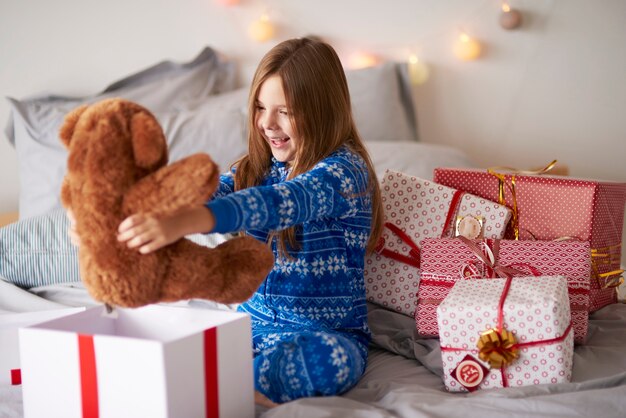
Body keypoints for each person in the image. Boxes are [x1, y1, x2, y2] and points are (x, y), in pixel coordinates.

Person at [114, 37, 384, 406]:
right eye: (259, 107)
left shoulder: (345, 173)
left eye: (285, 111)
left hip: (325, 332)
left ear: (322, 111)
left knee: (327, 361)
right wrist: (145, 205)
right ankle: (215, 388)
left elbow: (281, 203)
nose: (267, 123)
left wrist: (192, 220)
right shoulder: (258, 167)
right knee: (168, 339)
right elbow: (213, 190)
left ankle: (218, 392)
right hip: (250, 327)